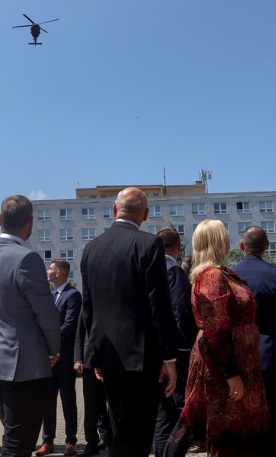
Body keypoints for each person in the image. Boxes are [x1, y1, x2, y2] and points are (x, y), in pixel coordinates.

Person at [80, 187, 178, 457]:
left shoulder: (91, 249)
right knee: (137, 431)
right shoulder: (149, 244)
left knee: (119, 424)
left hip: (106, 354)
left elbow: (88, 308)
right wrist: (169, 357)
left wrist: (94, 354)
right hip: (141, 357)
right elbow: (159, 306)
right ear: (145, 214)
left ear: (114, 210)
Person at [164, 219, 269, 457]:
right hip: (222, 369)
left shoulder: (219, 273)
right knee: (219, 432)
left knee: (226, 432)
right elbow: (216, 328)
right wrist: (231, 373)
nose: (229, 240)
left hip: (233, 364)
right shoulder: (212, 276)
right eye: (224, 235)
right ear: (217, 241)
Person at [0, 194, 61, 457]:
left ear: (0, 220)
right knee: (19, 445)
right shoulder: (27, 259)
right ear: (31, 223)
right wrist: (54, 349)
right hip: (26, 366)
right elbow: (45, 312)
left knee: (12, 437)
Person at [232, 226, 276, 457]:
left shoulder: (230, 276)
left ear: (241, 247)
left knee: (245, 423)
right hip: (273, 358)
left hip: (239, 360)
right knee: (273, 420)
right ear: (267, 247)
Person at [153, 228, 197, 457]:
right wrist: (189, 347)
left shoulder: (147, 270)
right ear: (178, 248)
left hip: (154, 356)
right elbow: (181, 314)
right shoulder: (174, 272)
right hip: (176, 358)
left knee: (163, 416)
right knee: (176, 417)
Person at [37, 259, 81, 457]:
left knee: (68, 399)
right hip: (48, 358)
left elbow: (70, 325)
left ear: (59, 273)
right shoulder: (50, 295)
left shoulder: (73, 295)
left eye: (51, 269)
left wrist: (53, 345)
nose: (48, 271)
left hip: (64, 357)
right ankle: (48, 441)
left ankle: (71, 441)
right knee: (47, 400)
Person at [73, 313, 111, 457]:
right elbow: (80, 330)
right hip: (89, 359)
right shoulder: (91, 292)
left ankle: (112, 439)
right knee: (91, 404)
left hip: (114, 358)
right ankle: (91, 442)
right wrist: (78, 358)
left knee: (114, 403)